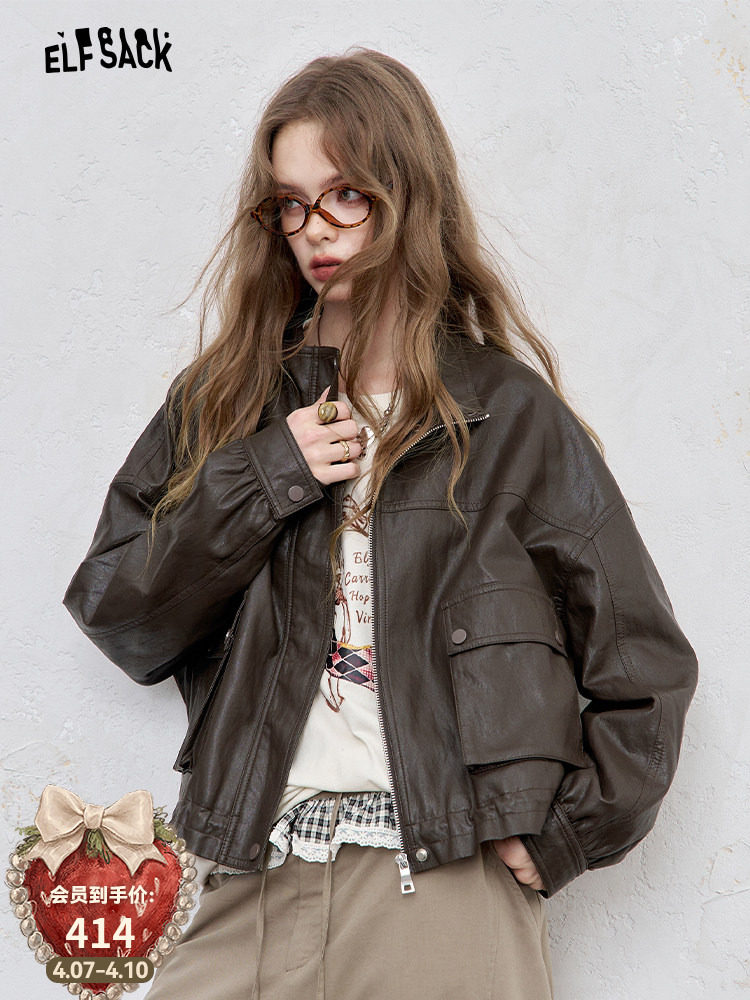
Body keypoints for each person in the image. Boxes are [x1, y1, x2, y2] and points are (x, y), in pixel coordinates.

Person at [63, 48, 698, 1000]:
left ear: (409, 197)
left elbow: (643, 661)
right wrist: (267, 475)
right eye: (290, 204)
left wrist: (571, 832)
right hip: (255, 876)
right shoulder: (227, 402)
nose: (315, 229)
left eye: (346, 196)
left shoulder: (506, 415)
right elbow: (120, 613)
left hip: (444, 887)